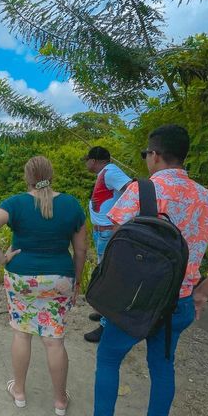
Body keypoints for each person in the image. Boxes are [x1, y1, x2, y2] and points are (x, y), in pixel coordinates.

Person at [59, 124, 208, 416]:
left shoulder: (141, 191)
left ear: (156, 155)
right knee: (162, 366)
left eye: (146, 153)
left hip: (136, 302)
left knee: (109, 358)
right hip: (180, 303)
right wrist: (202, 292)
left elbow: (119, 247)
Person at [0, 156, 87, 415]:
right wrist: (77, 281)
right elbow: (81, 250)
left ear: (27, 178)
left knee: (22, 334)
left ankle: (19, 392)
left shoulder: (15, 203)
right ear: (52, 175)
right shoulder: (71, 204)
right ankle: (60, 401)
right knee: (54, 340)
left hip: (22, 278)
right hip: (59, 278)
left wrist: (2, 259)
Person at [82, 146, 131, 343]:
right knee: (104, 273)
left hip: (109, 231)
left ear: (94, 160)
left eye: (87, 160)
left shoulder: (110, 172)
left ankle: (106, 324)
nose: (86, 164)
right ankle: (103, 312)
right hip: (103, 231)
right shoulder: (105, 173)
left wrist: (121, 219)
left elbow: (132, 190)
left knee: (108, 277)